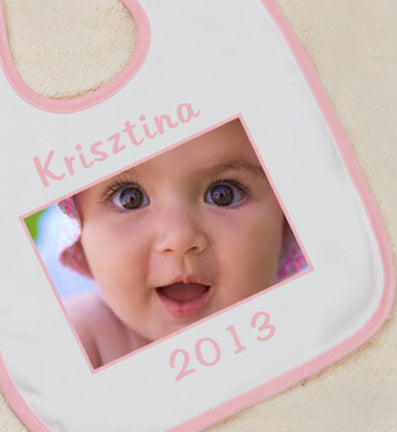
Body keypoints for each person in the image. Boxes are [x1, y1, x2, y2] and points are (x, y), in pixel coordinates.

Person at [55, 119, 306, 368]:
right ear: (81, 243)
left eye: (223, 195)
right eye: (130, 199)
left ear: (284, 224)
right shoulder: (80, 341)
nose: (180, 238)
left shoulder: (305, 326)